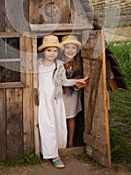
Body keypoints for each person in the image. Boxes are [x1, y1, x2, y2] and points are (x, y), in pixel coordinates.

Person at [37, 35, 89, 169]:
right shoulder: (37, 64)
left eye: (54, 51)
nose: (52, 53)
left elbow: (63, 81)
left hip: (56, 99)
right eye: (49, 50)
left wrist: (77, 81)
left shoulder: (58, 65)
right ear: (43, 51)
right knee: (46, 124)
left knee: (58, 124)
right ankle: (49, 153)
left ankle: (57, 151)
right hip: (43, 99)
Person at [59, 35, 89, 148]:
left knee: (71, 117)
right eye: (67, 47)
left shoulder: (78, 63)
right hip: (61, 94)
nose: (70, 50)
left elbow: (80, 78)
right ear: (63, 49)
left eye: (73, 48)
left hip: (72, 94)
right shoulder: (58, 62)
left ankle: (70, 141)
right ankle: (61, 141)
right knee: (60, 117)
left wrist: (79, 85)